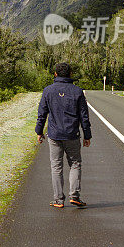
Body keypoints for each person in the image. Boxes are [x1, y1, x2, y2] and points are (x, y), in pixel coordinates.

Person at [36, 62, 91, 208]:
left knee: (56, 166)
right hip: (72, 134)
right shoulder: (77, 91)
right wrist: (87, 135)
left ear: (55, 74)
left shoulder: (48, 91)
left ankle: (59, 199)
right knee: (75, 164)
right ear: (70, 74)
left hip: (54, 135)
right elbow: (84, 116)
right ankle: (75, 196)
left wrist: (39, 132)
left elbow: (42, 114)